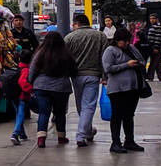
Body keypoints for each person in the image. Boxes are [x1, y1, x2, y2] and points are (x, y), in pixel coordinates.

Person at [64, 12, 107, 147]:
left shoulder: (69, 37)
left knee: (81, 106)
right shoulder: (100, 36)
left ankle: (82, 135)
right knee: (88, 106)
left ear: (76, 24)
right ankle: (85, 132)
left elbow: (64, 57)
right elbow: (105, 58)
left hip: (76, 75)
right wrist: (105, 76)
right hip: (93, 75)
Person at [27, 30, 75, 148]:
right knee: (60, 113)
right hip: (61, 87)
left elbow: (32, 69)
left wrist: (31, 81)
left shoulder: (40, 53)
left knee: (44, 113)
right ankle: (61, 137)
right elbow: (73, 70)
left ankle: (41, 139)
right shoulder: (65, 54)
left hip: (42, 86)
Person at [103, 28, 147, 153]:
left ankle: (130, 141)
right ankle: (115, 142)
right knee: (117, 116)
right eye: (124, 41)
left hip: (133, 88)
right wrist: (126, 65)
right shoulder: (110, 51)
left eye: (128, 41)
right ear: (117, 40)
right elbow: (108, 68)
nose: (127, 43)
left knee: (129, 115)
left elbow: (143, 61)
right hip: (117, 90)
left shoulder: (132, 48)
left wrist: (137, 63)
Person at [9, 48, 34, 146]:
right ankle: (15, 134)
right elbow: (22, 83)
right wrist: (32, 89)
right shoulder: (26, 70)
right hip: (21, 96)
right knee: (20, 114)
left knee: (19, 115)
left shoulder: (18, 67)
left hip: (13, 95)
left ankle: (22, 134)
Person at [144, 13, 161, 81]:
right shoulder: (153, 26)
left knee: (153, 63)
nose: (151, 20)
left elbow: (157, 38)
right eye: (150, 18)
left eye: (153, 18)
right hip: (154, 47)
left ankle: (150, 76)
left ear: (157, 19)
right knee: (158, 63)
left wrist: (155, 47)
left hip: (156, 47)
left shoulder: (157, 27)